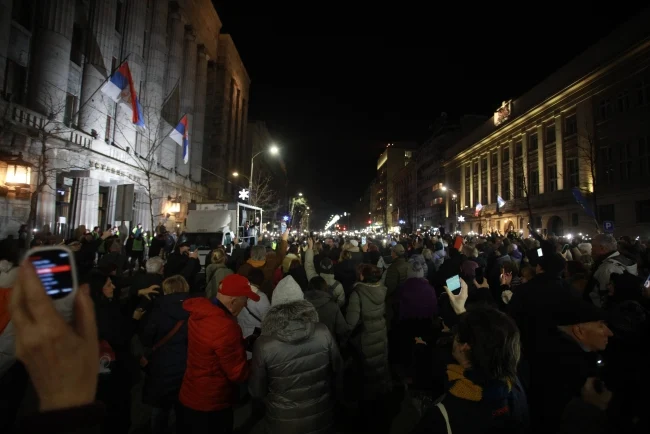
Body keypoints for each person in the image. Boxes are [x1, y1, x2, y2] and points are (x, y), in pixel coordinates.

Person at [249, 275, 343, 433]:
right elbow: (337, 369)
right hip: (320, 415)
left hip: (282, 421)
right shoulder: (322, 331)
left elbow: (257, 391)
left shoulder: (264, 344)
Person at [179, 274, 258, 434]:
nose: (247, 303)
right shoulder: (226, 327)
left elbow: (213, 346)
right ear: (233, 301)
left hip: (190, 393)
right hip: (212, 402)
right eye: (246, 299)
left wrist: (242, 343)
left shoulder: (203, 313)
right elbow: (238, 374)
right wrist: (258, 361)